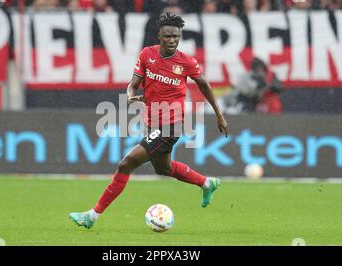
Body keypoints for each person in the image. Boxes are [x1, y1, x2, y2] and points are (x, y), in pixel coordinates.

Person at [69, 13, 229, 229]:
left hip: (172, 125)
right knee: (163, 169)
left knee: (125, 164)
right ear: (159, 36)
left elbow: (205, 86)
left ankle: (92, 215)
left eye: (176, 36)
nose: (172, 40)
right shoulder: (147, 54)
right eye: (168, 36)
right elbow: (134, 82)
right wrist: (130, 93)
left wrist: (219, 115)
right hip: (153, 122)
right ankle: (207, 183)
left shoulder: (186, 62)